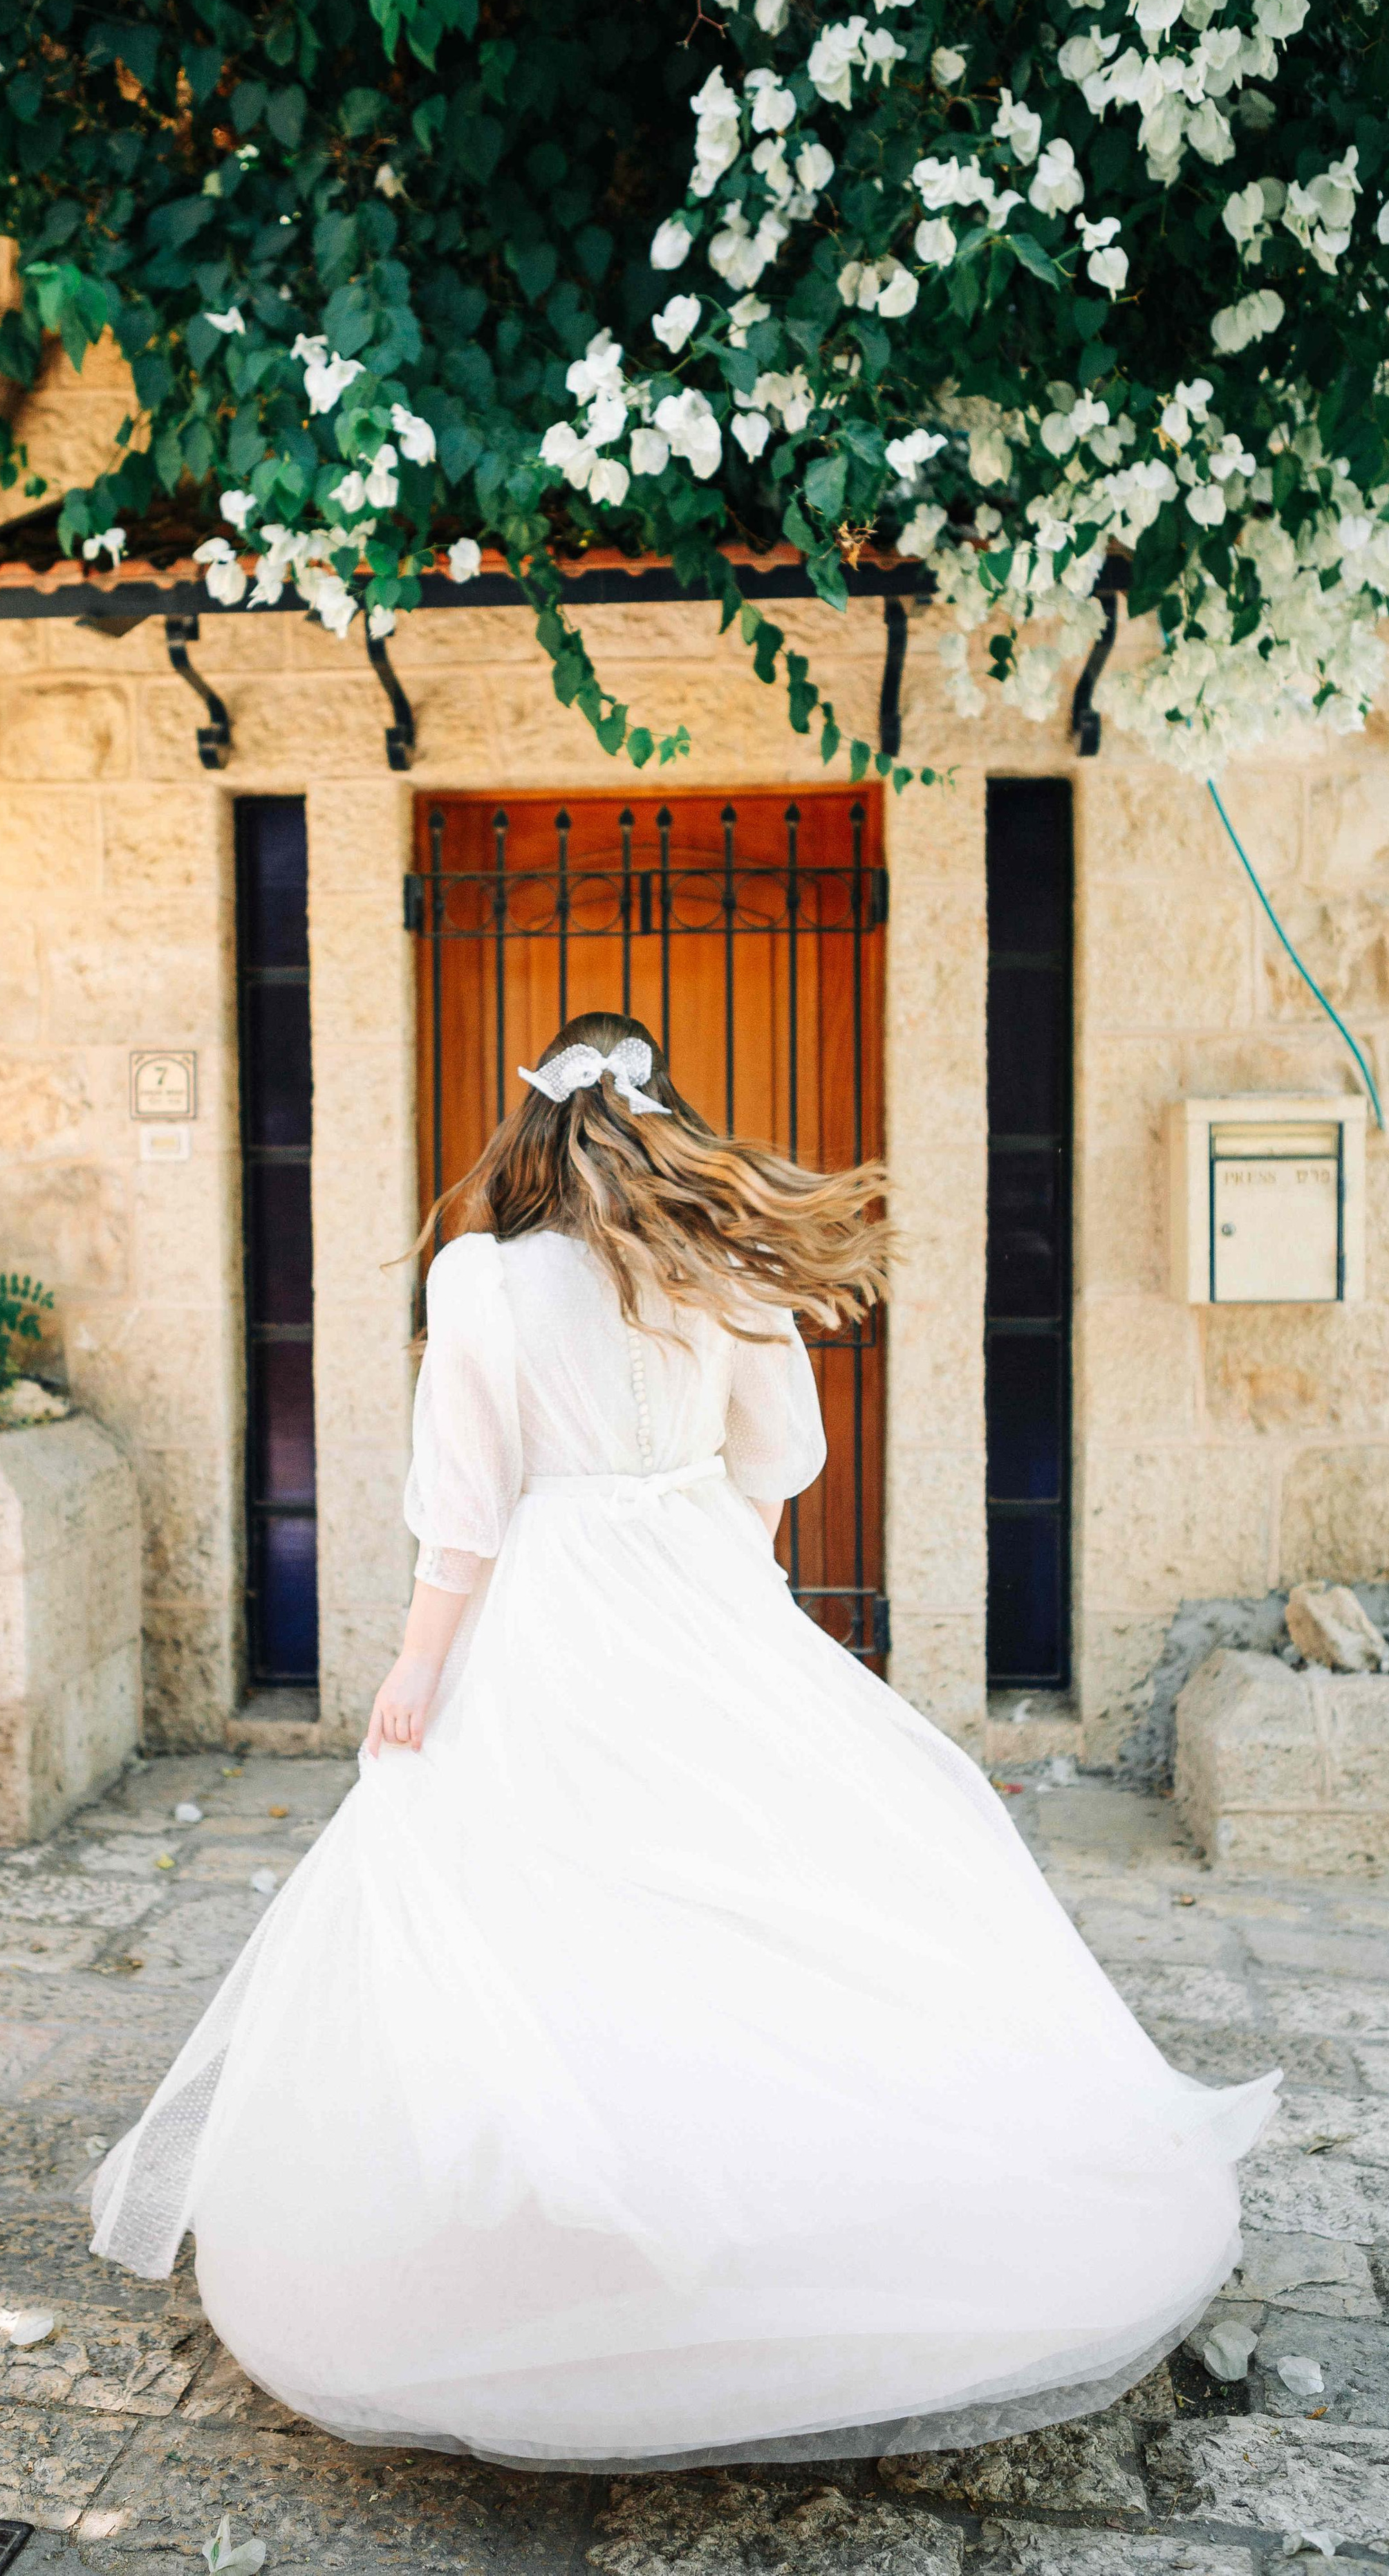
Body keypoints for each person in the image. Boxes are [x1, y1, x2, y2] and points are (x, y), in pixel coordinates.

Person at [91, 1010, 1279, 2472]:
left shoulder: (476, 1278)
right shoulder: (719, 1264)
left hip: (549, 1602)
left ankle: (566, 2253)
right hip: (699, 1571)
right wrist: (719, 1573)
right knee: (769, 1868)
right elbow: (778, 1458)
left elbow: (463, 1508)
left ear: (527, 1119)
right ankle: (791, 2215)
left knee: (540, 1892)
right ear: (662, 1114)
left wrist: (412, 1675)